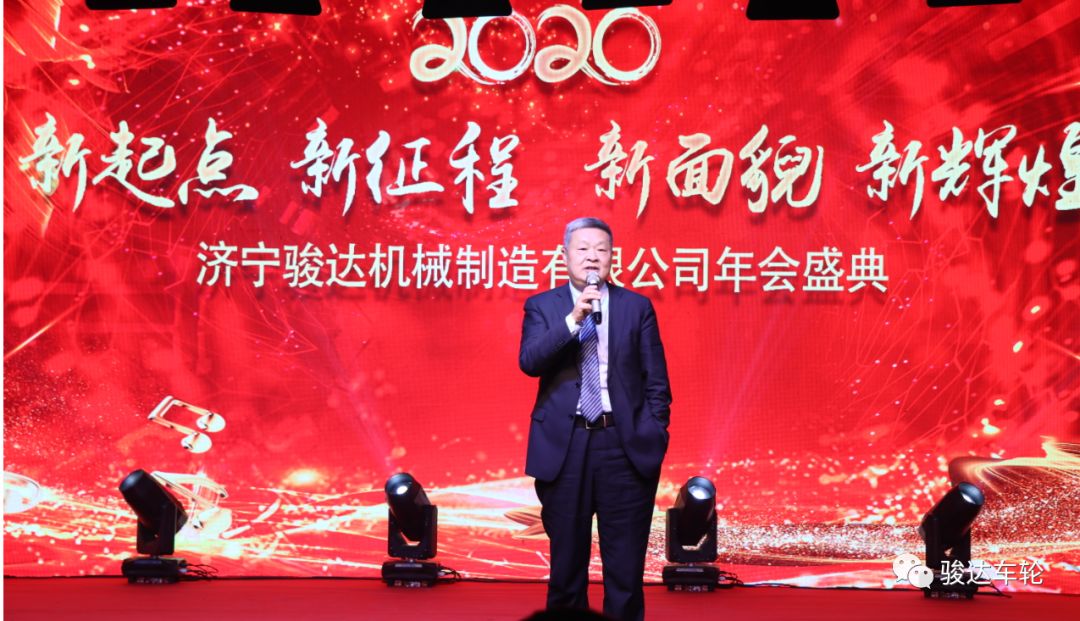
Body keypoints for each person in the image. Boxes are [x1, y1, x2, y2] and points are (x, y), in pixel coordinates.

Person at [519, 217, 672, 621]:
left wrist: (653, 431)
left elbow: (656, 381)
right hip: (565, 447)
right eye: (583, 248)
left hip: (622, 444)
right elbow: (530, 362)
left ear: (611, 257)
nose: (592, 257)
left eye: (601, 250)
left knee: (625, 570)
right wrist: (574, 319)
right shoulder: (543, 306)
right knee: (566, 567)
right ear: (565, 254)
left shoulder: (636, 307)